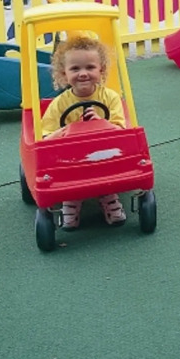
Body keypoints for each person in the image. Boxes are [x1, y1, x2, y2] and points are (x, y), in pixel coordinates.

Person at [41, 34, 128, 230]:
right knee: (68, 172)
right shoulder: (59, 104)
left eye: (90, 67)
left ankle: (108, 195)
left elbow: (121, 132)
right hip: (71, 158)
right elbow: (46, 138)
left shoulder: (110, 98)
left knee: (106, 168)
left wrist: (101, 124)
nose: (83, 74)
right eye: (75, 69)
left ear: (101, 70)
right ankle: (71, 199)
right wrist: (67, 130)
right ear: (64, 74)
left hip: (103, 154)